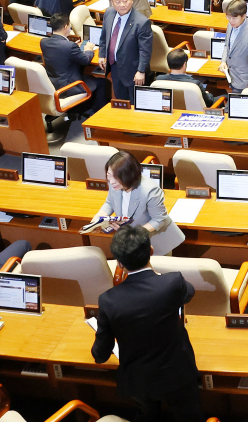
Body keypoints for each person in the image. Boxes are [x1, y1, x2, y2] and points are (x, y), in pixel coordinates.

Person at [92, 227, 201, 420]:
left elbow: (100, 355)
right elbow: (189, 293)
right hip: (178, 373)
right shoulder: (171, 282)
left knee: (147, 415)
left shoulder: (108, 300)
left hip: (139, 380)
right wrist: (158, 277)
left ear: (119, 263)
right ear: (151, 251)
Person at [90, 151, 185, 255]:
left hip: (154, 240)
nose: (111, 181)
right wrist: (98, 217)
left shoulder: (150, 190)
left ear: (129, 175)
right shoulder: (115, 184)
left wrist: (133, 234)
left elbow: (159, 220)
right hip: (130, 241)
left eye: (116, 177)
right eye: (109, 175)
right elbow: (110, 203)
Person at [40, 12, 107, 116]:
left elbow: (60, 52)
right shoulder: (69, 46)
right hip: (69, 86)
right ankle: (98, 114)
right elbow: (85, 60)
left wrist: (74, 48)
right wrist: (89, 49)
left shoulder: (43, 42)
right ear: (66, 26)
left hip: (53, 83)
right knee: (103, 82)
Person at [99, 0, 153, 100]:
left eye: (125, 0)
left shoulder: (142, 22)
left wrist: (141, 70)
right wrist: (102, 54)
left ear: (131, 0)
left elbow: (145, 50)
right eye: (118, 2)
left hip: (133, 71)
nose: (122, 5)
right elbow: (104, 36)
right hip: (115, 66)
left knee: (135, 105)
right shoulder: (109, 13)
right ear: (112, 1)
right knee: (120, 100)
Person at [221, 0, 248, 89]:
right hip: (229, 74)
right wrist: (223, 61)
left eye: (234, 18)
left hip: (243, 79)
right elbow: (227, 45)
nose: (231, 21)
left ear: (244, 16)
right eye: (228, 17)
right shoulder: (230, 25)